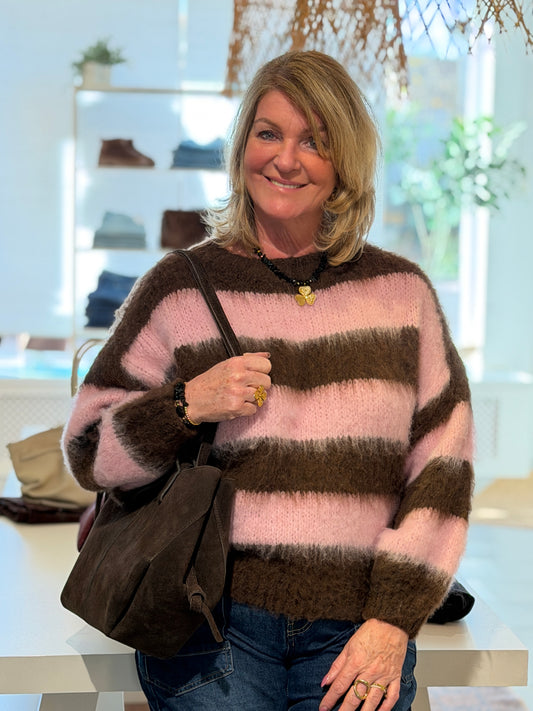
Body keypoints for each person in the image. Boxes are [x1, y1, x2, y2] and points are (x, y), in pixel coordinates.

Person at [62, 50, 474, 711]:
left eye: (314, 140)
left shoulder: (402, 295)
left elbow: (443, 465)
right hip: (209, 621)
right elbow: (88, 450)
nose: (286, 159)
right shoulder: (180, 288)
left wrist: (393, 618)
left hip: (355, 628)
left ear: (345, 162)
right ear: (241, 147)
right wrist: (184, 405)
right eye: (268, 133)